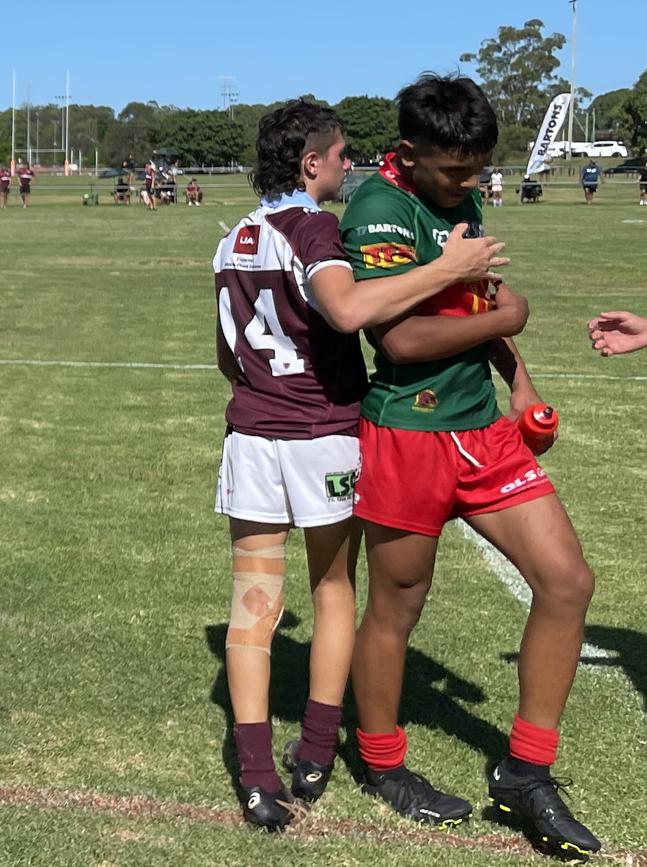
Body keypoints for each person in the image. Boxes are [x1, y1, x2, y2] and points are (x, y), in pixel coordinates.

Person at [213, 97, 514, 832]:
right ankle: (316, 752)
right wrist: (447, 268)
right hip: (321, 435)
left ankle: (256, 778)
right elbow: (348, 311)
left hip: (252, 436)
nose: (352, 164)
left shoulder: (233, 236)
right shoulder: (313, 224)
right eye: (342, 153)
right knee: (333, 588)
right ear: (311, 162)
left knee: (254, 605)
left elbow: (229, 357)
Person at [339, 73, 601, 856]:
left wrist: (519, 380)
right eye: (456, 171)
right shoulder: (379, 210)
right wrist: (508, 306)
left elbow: (476, 308)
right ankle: (382, 760)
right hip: (405, 438)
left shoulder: (462, 198)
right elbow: (402, 341)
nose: (470, 183)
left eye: (479, 168)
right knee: (398, 607)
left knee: (568, 578)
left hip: (483, 432)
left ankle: (526, 768)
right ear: (409, 153)